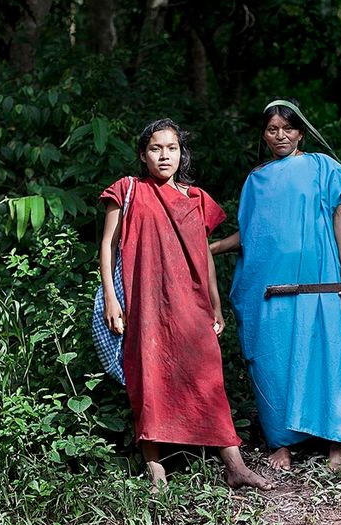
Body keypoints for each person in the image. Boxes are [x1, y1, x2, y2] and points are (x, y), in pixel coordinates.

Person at [98, 118, 273, 491]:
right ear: (143, 155)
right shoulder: (127, 190)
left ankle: (235, 465)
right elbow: (109, 246)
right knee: (149, 377)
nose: (164, 156)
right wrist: (112, 300)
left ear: (182, 153)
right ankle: (156, 470)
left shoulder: (196, 198)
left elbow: (203, 256)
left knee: (208, 375)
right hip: (145, 305)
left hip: (190, 304)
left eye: (172, 148)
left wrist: (215, 304)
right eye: (156, 149)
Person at [210, 100, 341, 471]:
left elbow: (340, 215)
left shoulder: (322, 167)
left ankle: (336, 438)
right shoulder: (256, 180)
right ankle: (280, 441)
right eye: (272, 130)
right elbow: (251, 233)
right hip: (268, 284)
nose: (280, 136)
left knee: (328, 348)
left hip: (319, 277)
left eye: (288, 128)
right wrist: (213, 247)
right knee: (273, 353)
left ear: (301, 131)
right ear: (264, 135)